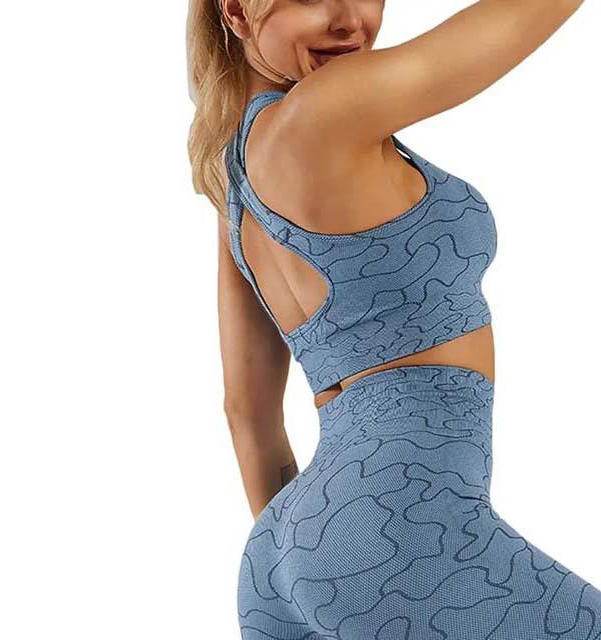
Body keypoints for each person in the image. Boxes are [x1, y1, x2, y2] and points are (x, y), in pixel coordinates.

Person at [187, 1, 598, 638]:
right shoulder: (325, 110)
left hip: (279, 555)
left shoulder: (232, 183)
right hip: (391, 524)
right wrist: (355, 552)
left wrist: (323, 562)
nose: (348, 19)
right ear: (237, 10)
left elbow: (248, 414)